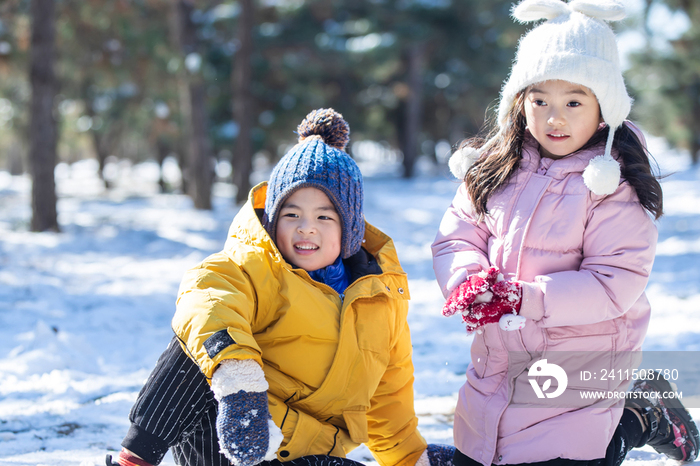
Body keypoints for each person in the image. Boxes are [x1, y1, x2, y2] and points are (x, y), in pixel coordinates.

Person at [431, 1, 699, 466]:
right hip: (497, 366)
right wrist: (468, 280)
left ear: (602, 108)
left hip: (579, 369)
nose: (555, 117)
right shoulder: (497, 170)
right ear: (520, 102)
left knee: (566, 454)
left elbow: (614, 281)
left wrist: (524, 297)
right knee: (482, 452)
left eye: (573, 101)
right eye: (541, 101)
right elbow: (458, 236)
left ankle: (639, 413)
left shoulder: (610, 185)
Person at [107, 108, 455, 466]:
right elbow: (207, 294)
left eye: (324, 216)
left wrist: (412, 458)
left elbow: (387, 398)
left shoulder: (379, 300)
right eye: (292, 215)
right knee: (203, 345)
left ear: (350, 229)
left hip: (303, 452)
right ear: (274, 222)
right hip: (228, 438)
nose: (306, 228)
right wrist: (239, 381)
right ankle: (135, 460)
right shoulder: (256, 268)